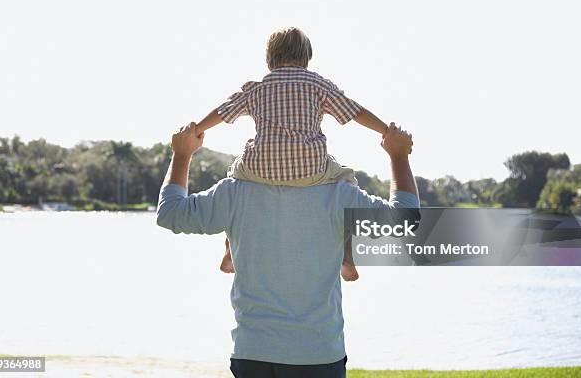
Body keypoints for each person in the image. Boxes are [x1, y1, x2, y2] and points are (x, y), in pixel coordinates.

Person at [156, 121, 419, 378]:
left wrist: (182, 155)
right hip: (317, 354)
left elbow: (170, 213)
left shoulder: (234, 192)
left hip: (252, 353)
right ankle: (343, 256)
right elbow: (405, 220)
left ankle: (232, 250)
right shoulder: (339, 194)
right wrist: (398, 156)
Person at [195, 27, 390, 281]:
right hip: (311, 168)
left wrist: (197, 129)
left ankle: (230, 250)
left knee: (234, 177)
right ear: (307, 58)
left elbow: (222, 111)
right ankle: (346, 254)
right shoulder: (318, 85)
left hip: (259, 168)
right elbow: (355, 111)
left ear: (269, 59)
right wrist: (385, 131)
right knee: (347, 181)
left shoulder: (257, 88)